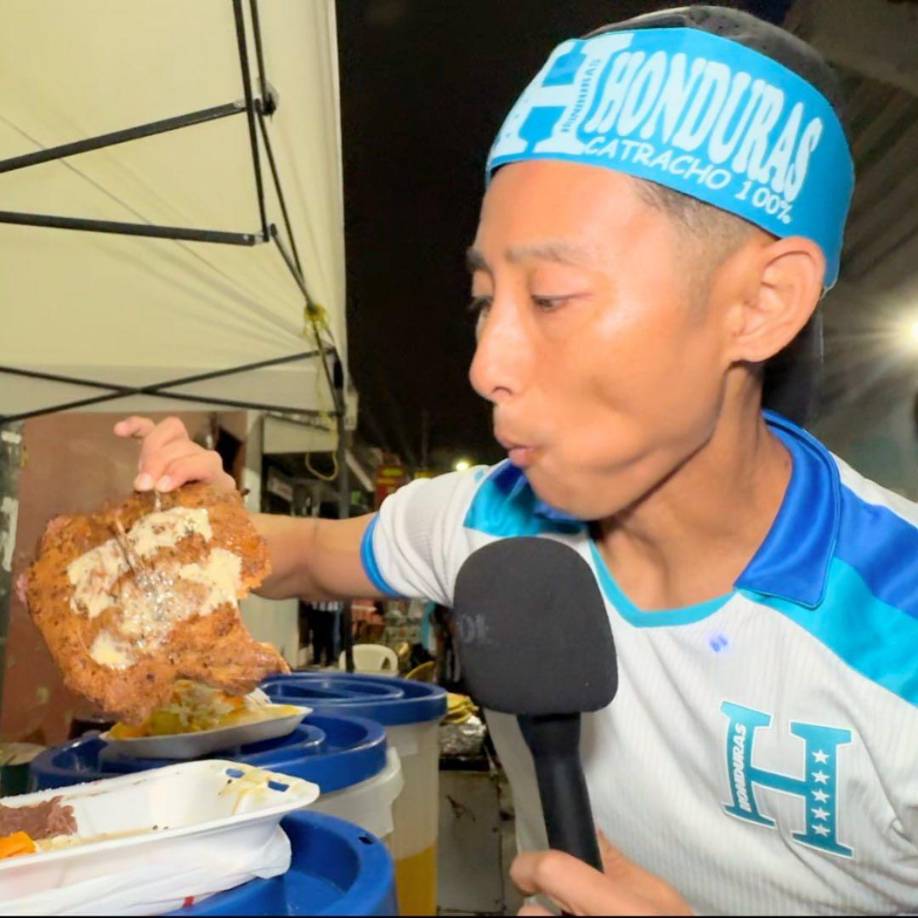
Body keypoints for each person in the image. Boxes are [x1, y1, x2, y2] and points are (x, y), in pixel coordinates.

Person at [113, 6, 918, 914]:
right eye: (484, 301)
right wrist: (207, 516)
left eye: (553, 296)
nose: (486, 367)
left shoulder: (901, 630)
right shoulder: (485, 519)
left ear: (764, 303)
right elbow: (298, 552)